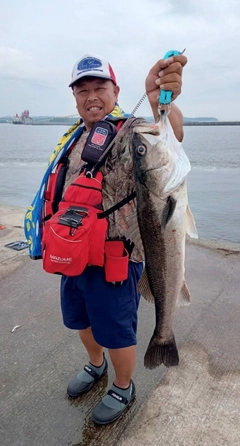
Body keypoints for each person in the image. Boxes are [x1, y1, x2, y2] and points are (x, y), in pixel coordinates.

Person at [25, 52, 187, 425]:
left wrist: (162, 100)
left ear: (116, 91)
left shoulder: (132, 131)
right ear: (75, 98)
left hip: (116, 259)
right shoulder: (72, 137)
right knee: (81, 322)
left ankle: (123, 385)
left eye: (100, 87)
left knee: (116, 331)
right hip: (73, 257)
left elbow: (171, 133)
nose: (92, 95)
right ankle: (95, 364)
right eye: (83, 90)